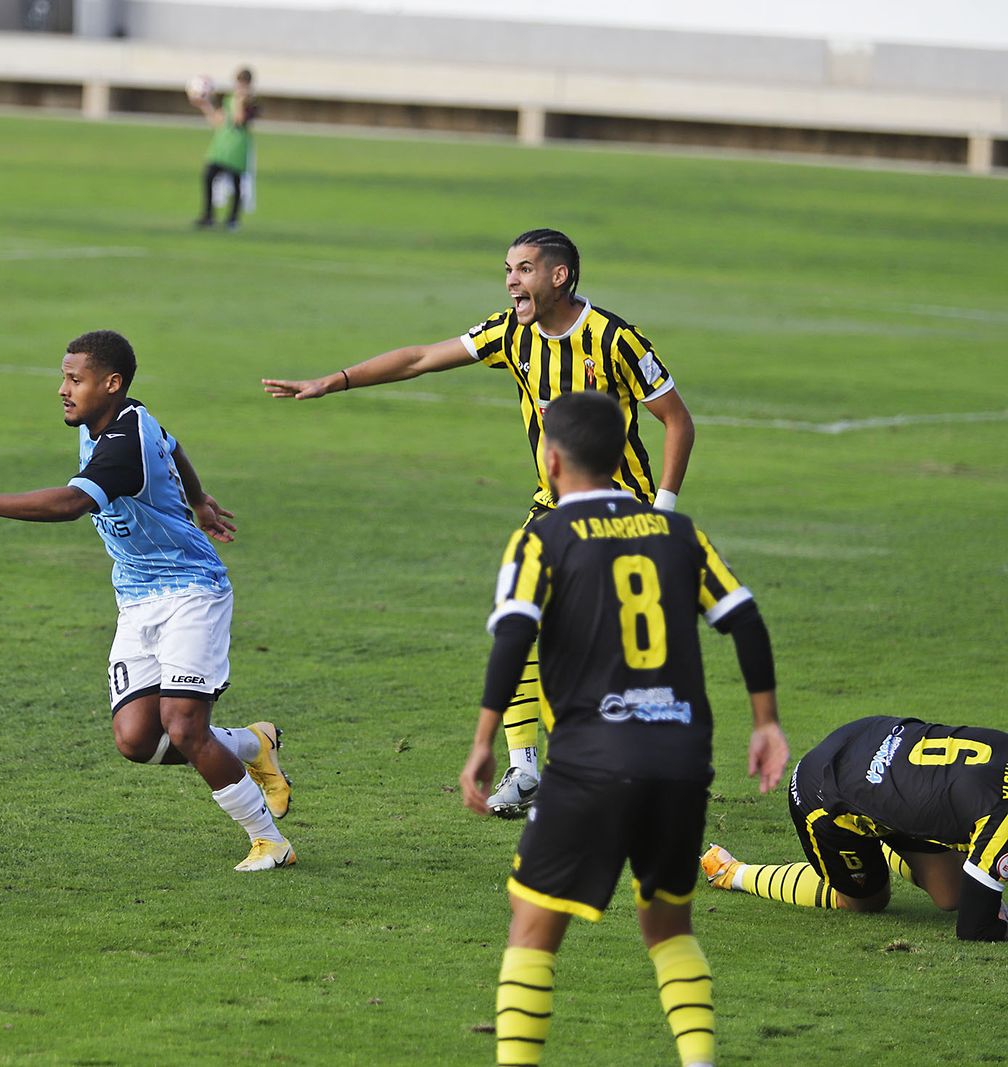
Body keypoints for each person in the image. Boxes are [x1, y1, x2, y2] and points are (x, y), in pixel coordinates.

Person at [264, 228, 696, 817]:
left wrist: (663, 512)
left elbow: (676, 420)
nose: (511, 280)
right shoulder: (511, 332)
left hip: (622, 511)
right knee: (516, 623)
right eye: (508, 270)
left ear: (559, 276)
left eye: (522, 269)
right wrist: (332, 381)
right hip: (553, 506)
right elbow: (419, 358)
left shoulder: (615, 339)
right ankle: (527, 771)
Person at [458, 390, 786, 1067]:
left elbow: (515, 633)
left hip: (590, 763)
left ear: (551, 460)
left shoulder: (541, 537)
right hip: (680, 760)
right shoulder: (678, 532)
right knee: (668, 924)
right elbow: (746, 619)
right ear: (621, 458)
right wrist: (766, 722)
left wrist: (486, 740)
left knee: (532, 927)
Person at [0, 329, 293, 872]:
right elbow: (172, 443)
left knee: (184, 727)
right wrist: (197, 499)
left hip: (190, 592)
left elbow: (70, 504)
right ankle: (253, 745)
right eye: (63, 377)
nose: (63, 389)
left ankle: (268, 840)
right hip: (137, 600)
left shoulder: (121, 444)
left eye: (75, 379)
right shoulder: (124, 418)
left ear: (110, 384)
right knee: (138, 740)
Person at [702, 716, 1008, 941]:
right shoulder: (1001, 822)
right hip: (822, 789)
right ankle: (731, 872)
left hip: (877, 741)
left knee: (951, 894)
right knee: (867, 901)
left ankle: (880, 836)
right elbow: (974, 927)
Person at [190, 67, 256, 231]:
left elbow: (239, 120)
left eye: (243, 83)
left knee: (236, 182)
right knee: (208, 176)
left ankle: (233, 219)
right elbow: (217, 120)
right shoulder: (230, 99)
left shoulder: (250, 102)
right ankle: (208, 215)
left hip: (237, 146)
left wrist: (240, 100)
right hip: (222, 144)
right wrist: (204, 104)